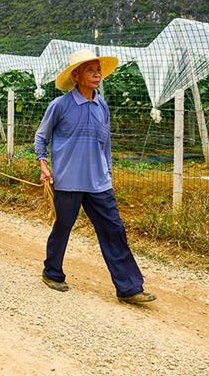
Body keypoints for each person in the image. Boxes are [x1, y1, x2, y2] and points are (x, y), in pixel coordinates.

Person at [34, 49, 156, 304]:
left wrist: (108, 171)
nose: (97, 74)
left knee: (114, 230)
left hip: (99, 182)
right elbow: (41, 137)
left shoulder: (102, 105)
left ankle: (129, 288)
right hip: (68, 180)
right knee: (64, 226)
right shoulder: (60, 106)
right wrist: (43, 164)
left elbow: (106, 143)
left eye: (98, 69)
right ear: (76, 75)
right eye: (91, 70)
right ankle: (52, 272)